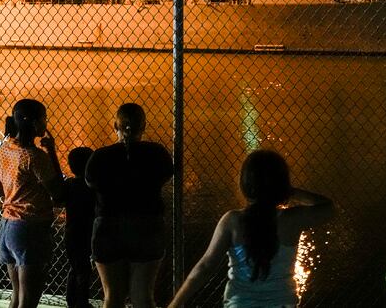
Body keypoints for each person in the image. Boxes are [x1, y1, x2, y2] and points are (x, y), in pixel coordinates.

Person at [167, 149, 335, 308]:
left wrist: (175, 304)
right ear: (282, 184)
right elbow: (327, 207)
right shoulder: (292, 219)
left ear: (245, 183)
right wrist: (288, 191)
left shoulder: (232, 221)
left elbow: (206, 266)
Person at [85, 103, 174, 308]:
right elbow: (166, 174)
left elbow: (91, 182)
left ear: (115, 126)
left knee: (112, 297)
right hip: (147, 226)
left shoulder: (100, 157)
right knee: (143, 297)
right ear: (143, 126)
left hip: (108, 227)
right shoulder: (156, 153)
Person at [0, 99, 63, 308]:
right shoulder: (35, 156)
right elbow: (58, 193)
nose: (46, 124)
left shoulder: (4, 150)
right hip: (29, 229)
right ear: (34, 123)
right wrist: (52, 152)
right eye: (44, 119)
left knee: (17, 297)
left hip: (6, 228)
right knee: (29, 301)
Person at [63, 146, 96, 308]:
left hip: (71, 233)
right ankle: (81, 303)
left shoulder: (70, 184)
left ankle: (72, 301)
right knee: (83, 271)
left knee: (76, 268)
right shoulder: (92, 187)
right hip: (86, 233)